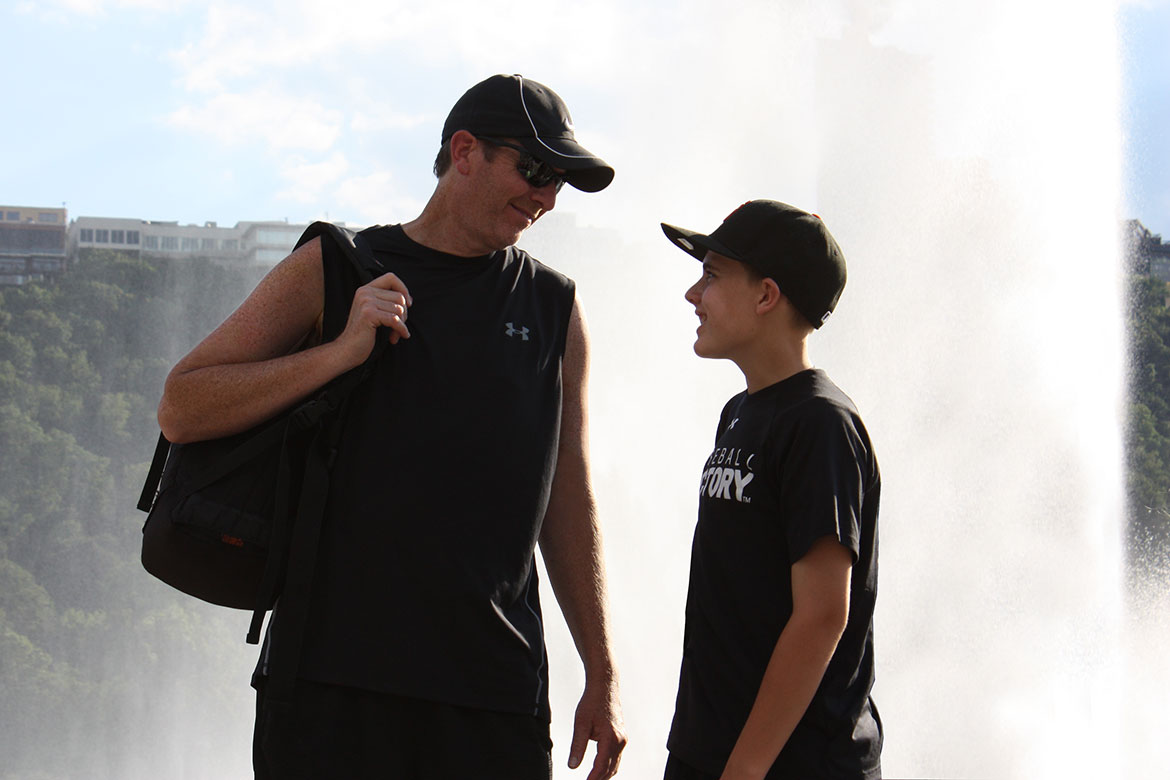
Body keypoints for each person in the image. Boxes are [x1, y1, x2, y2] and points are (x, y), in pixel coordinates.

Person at [157, 74, 626, 780]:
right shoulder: (336, 266)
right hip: (329, 688)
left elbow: (568, 496)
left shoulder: (555, 308)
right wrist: (339, 352)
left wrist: (601, 672)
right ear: (464, 151)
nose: (546, 196)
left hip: (492, 697)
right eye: (534, 169)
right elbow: (183, 406)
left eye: (559, 181)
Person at [659, 200, 882, 780]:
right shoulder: (741, 412)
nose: (693, 294)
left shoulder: (821, 423)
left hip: (790, 765)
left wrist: (745, 769)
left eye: (711, 275)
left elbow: (822, 615)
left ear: (766, 296)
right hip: (710, 754)